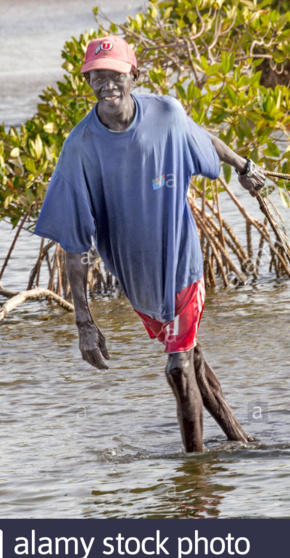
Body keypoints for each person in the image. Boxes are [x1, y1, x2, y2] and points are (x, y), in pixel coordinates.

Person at [33, 35, 266, 452]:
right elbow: (73, 244)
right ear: (88, 81)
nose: (108, 84)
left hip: (182, 266)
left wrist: (244, 167)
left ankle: (194, 480)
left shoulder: (167, 113)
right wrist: (84, 324)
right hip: (139, 284)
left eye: (116, 75)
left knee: (177, 368)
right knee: (191, 361)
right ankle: (241, 441)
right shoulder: (79, 147)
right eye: (98, 76)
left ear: (134, 75)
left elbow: (203, 138)